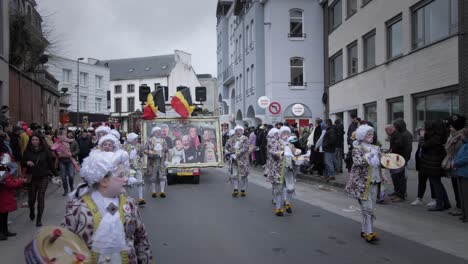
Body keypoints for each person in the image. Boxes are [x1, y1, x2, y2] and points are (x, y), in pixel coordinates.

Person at [63, 150, 154, 263]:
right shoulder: (77, 208)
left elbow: (141, 239)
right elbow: (65, 242)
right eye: (121, 175)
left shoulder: (129, 204)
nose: (126, 179)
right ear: (104, 181)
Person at [345, 125, 382, 242]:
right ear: (362, 135)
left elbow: (380, 163)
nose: (371, 136)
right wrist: (369, 157)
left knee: (371, 209)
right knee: (368, 209)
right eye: (368, 134)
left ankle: (364, 230)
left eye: (372, 134)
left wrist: (385, 171)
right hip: (361, 183)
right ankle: (369, 233)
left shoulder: (376, 148)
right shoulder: (357, 149)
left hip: (374, 181)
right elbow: (357, 162)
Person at [22, 133, 54, 227]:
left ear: (39, 141)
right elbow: (22, 163)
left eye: (36, 140)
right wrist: (26, 162)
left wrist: (55, 174)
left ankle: (39, 219)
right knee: (31, 199)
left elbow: (50, 163)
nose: (34, 141)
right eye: (33, 140)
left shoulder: (45, 151)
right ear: (30, 141)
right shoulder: (27, 151)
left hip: (43, 177)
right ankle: (31, 210)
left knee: (41, 197)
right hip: (31, 178)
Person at [419, 120, 450, 211]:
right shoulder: (439, 136)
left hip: (432, 164)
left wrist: (421, 137)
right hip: (435, 163)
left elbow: (424, 145)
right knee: (438, 183)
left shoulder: (434, 138)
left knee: (436, 184)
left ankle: (440, 204)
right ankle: (446, 202)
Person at [0, 135, 25, 241]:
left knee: (4, 213)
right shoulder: (2, 160)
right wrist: (20, 181)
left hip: (4, 190)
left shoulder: (3, 159)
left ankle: (4, 231)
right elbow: (6, 180)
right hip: (3, 191)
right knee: (1, 213)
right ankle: (1, 232)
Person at [268, 126, 297, 216]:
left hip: (289, 169)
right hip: (278, 170)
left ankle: (287, 203)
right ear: (280, 134)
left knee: (290, 188)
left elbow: (295, 155)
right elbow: (272, 152)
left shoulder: (291, 145)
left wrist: (301, 158)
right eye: (284, 133)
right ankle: (278, 209)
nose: (286, 135)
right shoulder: (275, 142)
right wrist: (282, 153)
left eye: (287, 133)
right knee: (279, 190)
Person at [443, 115, 468, 217]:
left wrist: (452, 144)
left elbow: (458, 152)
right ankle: (460, 206)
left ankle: (462, 208)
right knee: (456, 186)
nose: (450, 128)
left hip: (458, 165)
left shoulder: (460, 137)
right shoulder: (453, 135)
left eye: (452, 126)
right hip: (454, 165)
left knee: (461, 189)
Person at [389, 119, 413, 202]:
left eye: (396, 126)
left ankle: (401, 195)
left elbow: (408, 149)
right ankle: (397, 192)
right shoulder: (400, 133)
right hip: (397, 158)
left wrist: (405, 160)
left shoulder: (406, 135)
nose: (395, 128)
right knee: (396, 177)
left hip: (401, 159)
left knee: (401, 178)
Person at [412, 127, 436, 207]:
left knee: (432, 182)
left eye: (423, 130)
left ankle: (434, 198)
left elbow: (424, 146)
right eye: (421, 131)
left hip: (429, 163)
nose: (421, 132)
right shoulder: (421, 139)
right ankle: (419, 198)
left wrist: (422, 137)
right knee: (421, 182)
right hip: (422, 163)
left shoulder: (429, 139)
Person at [225, 125, 250, 197]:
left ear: (242, 131)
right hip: (233, 160)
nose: (238, 132)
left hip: (243, 160)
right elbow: (226, 147)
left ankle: (243, 189)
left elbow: (246, 148)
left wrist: (237, 154)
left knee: (244, 175)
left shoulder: (245, 138)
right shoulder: (232, 139)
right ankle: (235, 189)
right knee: (235, 175)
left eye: (240, 130)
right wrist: (229, 154)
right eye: (237, 131)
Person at [144, 127, 169, 198]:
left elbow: (166, 151)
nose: (158, 133)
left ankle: (162, 191)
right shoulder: (150, 140)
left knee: (162, 176)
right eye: (156, 131)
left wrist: (166, 160)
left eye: (159, 131)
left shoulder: (163, 141)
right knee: (153, 176)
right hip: (153, 161)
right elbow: (145, 150)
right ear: (153, 133)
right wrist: (152, 153)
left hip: (162, 161)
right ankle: (153, 191)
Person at [124, 133, 145, 206]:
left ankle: (141, 198)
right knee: (129, 183)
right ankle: (128, 198)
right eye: (135, 139)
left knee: (140, 182)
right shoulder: (125, 146)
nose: (137, 140)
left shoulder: (139, 146)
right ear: (131, 140)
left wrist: (140, 154)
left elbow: (142, 154)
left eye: (137, 139)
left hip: (137, 166)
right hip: (128, 167)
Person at [52, 129, 76, 196]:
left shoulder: (70, 141)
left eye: (65, 133)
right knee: (63, 177)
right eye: (64, 133)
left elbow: (76, 148)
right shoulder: (58, 143)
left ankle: (71, 188)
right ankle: (66, 190)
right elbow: (52, 149)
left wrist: (72, 154)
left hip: (70, 160)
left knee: (71, 176)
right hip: (62, 161)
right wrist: (57, 154)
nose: (65, 135)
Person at [454, 134, 468, 222]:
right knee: (462, 195)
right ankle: (464, 213)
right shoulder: (464, 145)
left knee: (466, 196)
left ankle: (467, 215)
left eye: (462, 135)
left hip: (465, 173)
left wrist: (456, 163)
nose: (460, 137)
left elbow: (465, 158)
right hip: (460, 172)